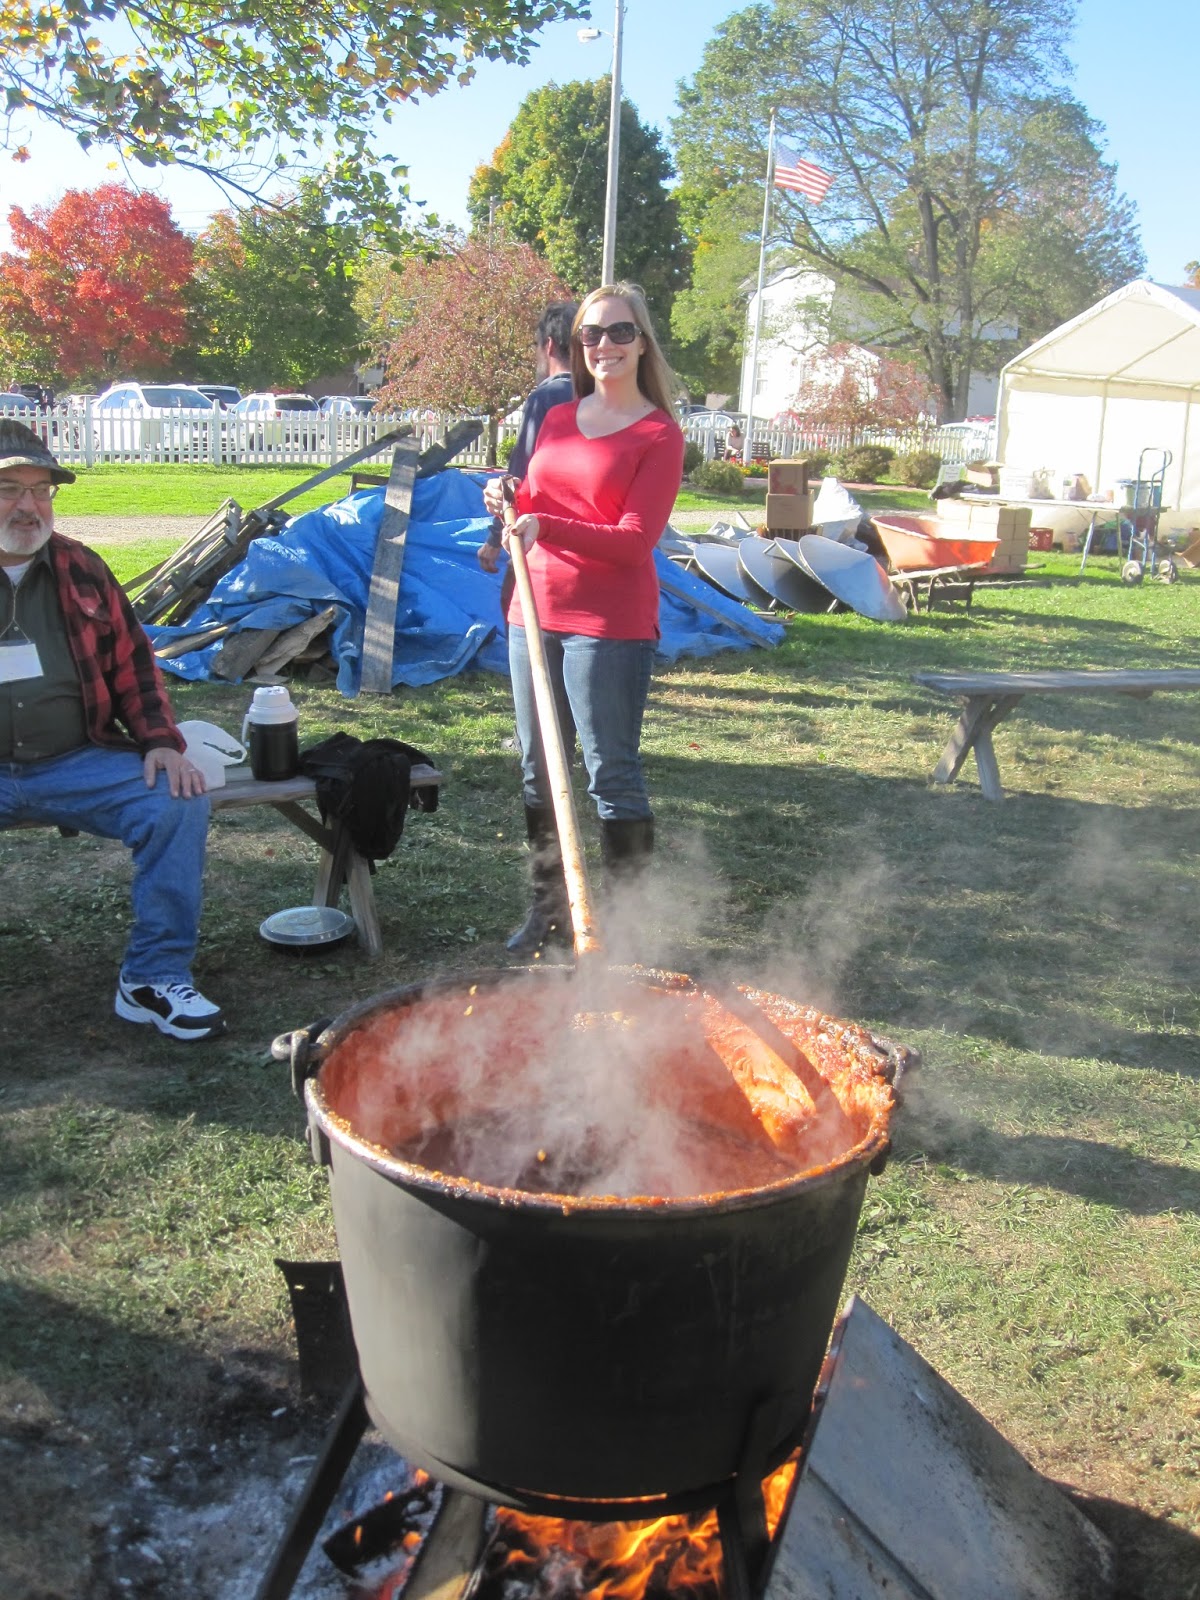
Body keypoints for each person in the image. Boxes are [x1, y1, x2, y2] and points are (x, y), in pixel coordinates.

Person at [0, 420, 223, 1040]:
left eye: (41, 491)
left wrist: (160, 742)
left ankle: (152, 977)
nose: (28, 506)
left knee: (176, 801)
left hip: (75, 760)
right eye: (9, 488)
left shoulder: (80, 566)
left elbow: (136, 667)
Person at [484, 283, 685, 955]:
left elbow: (634, 540)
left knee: (609, 773)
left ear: (643, 342)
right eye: (591, 335)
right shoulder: (562, 417)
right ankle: (552, 913)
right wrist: (508, 498)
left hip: (608, 622)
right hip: (532, 611)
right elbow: (536, 498)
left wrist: (549, 524)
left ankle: (626, 929)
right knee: (540, 770)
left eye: (619, 332)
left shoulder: (658, 433)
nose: (604, 346)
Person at [477, 301, 577, 574]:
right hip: (591, 538)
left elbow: (519, 472)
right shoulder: (606, 398)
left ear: (549, 346)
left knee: (512, 595)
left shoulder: (546, 398)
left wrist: (495, 536)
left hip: (546, 538)